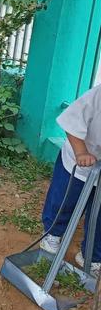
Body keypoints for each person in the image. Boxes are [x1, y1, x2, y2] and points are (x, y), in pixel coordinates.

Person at [40, 85, 101, 277]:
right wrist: (81, 152)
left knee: (99, 216)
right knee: (63, 201)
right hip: (79, 159)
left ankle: (92, 256)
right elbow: (71, 122)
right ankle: (53, 235)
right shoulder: (98, 96)